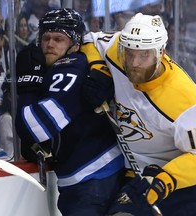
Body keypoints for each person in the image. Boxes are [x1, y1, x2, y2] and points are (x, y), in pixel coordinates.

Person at [81, 12, 196, 215]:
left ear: (161, 52)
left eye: (144, 55)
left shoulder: (185, 100)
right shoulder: (117, 50)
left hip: (176, 180)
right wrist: (98, 67)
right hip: (134, 175)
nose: (134, 63)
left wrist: (165, 180)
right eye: (130, 53)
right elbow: (89, 39)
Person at [15, 8, 124, 216]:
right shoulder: (61, 66)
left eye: (58, 39)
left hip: (92, 178)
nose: (49, 45)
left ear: (74, 45)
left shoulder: (70, 67)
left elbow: (36, 127)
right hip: (91, 176)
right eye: (46, 38)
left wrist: (28, 88)